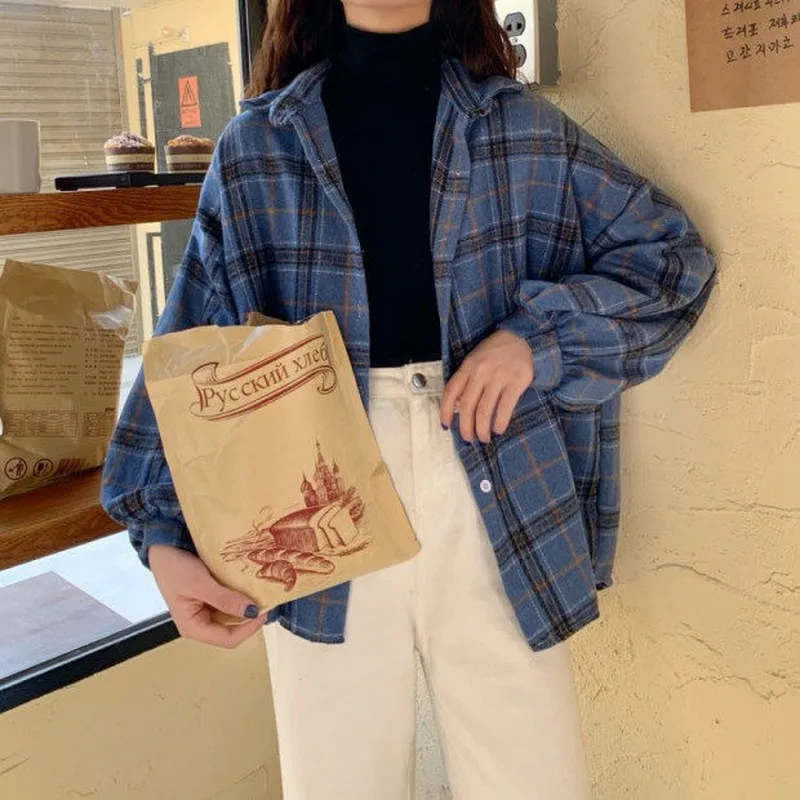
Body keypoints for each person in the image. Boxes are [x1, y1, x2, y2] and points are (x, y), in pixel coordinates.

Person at [102, 1, 716, 797]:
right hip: (312, 487)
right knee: (338, 783)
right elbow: (190, 342)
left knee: (532, 782)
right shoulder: (256, 147)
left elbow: (672, 260)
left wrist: (538, 341)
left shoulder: (524, 131)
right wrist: (158, 533)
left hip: (494, 472)